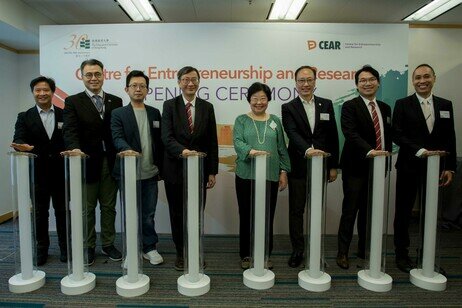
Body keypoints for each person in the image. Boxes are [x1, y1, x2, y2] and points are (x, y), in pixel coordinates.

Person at [392, 64, 456, 273]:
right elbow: (397, 134)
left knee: (431, 212)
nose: (422, 81)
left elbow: (450, 137)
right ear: (413, 81)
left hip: (436, 168)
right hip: (409, 165)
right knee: (403, 211)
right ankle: (401, 254)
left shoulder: (446, 105)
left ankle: (426, 253)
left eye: (426, 76)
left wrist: (451, 167)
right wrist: (419, 150)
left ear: (434, 78)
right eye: (418, 77)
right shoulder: (403, 104)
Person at [63, 59, 123, 265]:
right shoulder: (72, 101)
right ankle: (88, 246)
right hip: (86, 161)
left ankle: (108, 243)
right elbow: (69, 130)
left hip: (111, 162)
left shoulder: (116, 101)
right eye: (89, 74)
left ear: (103, 75)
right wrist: (75, 148)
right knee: (86, 208)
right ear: (82, 76)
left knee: (109, 206)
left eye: (97, 74)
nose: (94, 78)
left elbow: (117, 131)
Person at [161, 66, 218, 271]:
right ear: (179, 82)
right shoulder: (169, 105)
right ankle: (180, 253)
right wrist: (183, 151)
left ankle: (194, 250)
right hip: (175, 169)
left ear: (199, 82)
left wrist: (212, 171)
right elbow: (166, 137)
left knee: (196, 214)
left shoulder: (207, 107)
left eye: (193, 79)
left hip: (200, 171)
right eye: (185, 80)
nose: (190, 83)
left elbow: (212, 140)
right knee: (177, 214)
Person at [282, 66, 339, 268]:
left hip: (321, 166)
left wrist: (333, 166)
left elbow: (333, 136)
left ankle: (315, 247)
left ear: (315, 82)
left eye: (309, 80)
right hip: (298, 166)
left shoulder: (327, 104)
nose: (305, 84)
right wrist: (308, 150)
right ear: (295, 83)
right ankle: (298, 250)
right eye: (301, 80)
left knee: (316, 209)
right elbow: (292, 133)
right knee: (296, 211)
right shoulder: (288, 107)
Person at [337, 66, 392, 269]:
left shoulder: (385, 108)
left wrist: (384, 159)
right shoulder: (350, 106)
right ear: (357, 85)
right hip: (355, 167)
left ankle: (363, 249)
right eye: (362, 80)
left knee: (370, 211)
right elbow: (350, 133)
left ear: (378, 82)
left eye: (371, 79)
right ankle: (342, 252)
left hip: (378, 168)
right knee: (350, 210)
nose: (367, 83)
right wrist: (370, 151)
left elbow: (388, 136)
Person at [233, 82, 291, 270]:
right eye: (255, 98)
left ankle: (265, 253)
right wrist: (251, 152)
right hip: (245, 175)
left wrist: (283, 171)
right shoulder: (241, 120)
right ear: (249, 100)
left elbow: (281, 147)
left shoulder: (275, 120)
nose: (259, 102)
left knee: (267, 215)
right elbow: (237, 141)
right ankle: (247, 254)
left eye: (263, 98)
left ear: (269, 100)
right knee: (247, 215)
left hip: (270, 176)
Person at [11, 76, 67, 266]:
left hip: (61, 174)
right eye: (38, 90)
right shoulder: (24, 116)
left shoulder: (65, 115)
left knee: (63, 212)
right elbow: (18, 138)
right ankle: (41, 249)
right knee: (40, 214)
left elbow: (71, 139)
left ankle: (65, 248)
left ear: (53, 92)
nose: (42, 93)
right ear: (33, 92)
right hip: (37, 175)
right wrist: (20, 145)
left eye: (46, 90)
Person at [111, 70, 164, 265]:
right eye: (134, 85)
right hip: (128, 173)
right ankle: (131, 251)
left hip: (150, 173)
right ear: (127, 89)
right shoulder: (118, 113)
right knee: (130, 213)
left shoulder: (154, 113)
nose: (138, 89)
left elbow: (159, 141)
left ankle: (149, 247)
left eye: (142, 86)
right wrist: (127, 150)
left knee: (148, 214)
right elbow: (116, 137)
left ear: (147, 90)